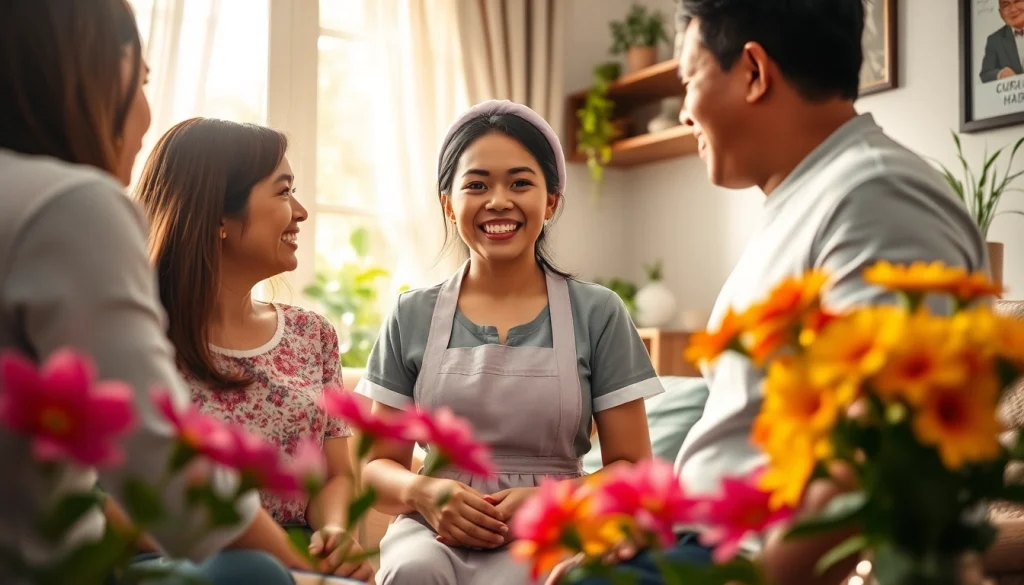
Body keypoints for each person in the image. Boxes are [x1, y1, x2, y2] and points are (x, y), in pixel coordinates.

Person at [558, 1, 988, 584]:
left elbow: (879, 452)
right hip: (707, 540)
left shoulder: (875, 197)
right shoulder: (810, 199)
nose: (684, 113)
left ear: (754, 72)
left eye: (688, 80)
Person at [0, 1, 306, 584]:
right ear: (85, 71)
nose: (145, 113)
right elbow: (161, 471)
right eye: (141, 80)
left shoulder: (308, 332)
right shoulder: (66, 206)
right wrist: (307, 575)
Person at [355, 100, 663, 585]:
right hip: (433, 529)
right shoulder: (411, 314)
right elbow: (374, 468)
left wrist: (552, 500)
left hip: (556, 526)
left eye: (520, 183)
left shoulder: (598, 312)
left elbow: (633, 468)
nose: (498, 201)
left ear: (552, 201)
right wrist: (426, 495)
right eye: (477, 185)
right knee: (413, 571)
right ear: (448, 204)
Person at [134, 118, 375, 584]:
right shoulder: (137, 340)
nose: (301, 211)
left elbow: (335, 474)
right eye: (283, 192)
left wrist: (335, 534)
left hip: (300, 560)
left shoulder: (313, 335)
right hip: (181, 561)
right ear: (219, 217)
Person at [980, 0, 1024, 83]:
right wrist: (1001, 74)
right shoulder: (995, 40)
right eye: (1006, 5)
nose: (1013, 9)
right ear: (1000, 13)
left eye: (1017, 1)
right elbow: (985, 74)